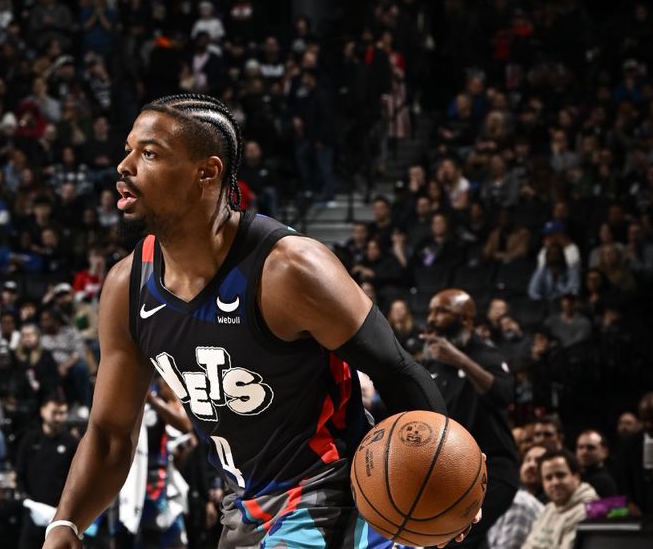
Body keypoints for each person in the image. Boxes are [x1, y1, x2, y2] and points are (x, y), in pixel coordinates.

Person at [42, 94, 478, 549]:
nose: (124, 165)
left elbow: (397, 368)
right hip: (244, 506)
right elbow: (111, 435)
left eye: (148, 153)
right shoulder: (125, 288)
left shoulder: (290, 270)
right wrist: (65, 524)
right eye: (128, 149)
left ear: (206, 172)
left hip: (330, 493)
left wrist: (449, 482)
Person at [421, 288, 519, 548]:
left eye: (441, 311)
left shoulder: (486, 355)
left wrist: (459, 359)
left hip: (493, 472)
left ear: (465, 319)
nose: (431, 318)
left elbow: (504, 394)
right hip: (454, 474)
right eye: (430, 311)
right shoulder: (433, 366)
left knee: (457, 539)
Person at [16, 394, 78, 548]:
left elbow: (77, 478)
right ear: (43, 411)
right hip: (33, 511)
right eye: (54, 412)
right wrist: (26, 498)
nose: (58, 418)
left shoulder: (71, 443)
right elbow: (20, 472)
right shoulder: (30, 440)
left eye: (62, 413)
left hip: (60, 514)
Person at [521, 449, 598, 549]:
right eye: (548, 478)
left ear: (576, 477)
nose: (555, 482)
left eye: (560, 475)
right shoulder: (549, 508)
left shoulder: (588, 510)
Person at [575, 429, 618, 498]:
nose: (584, 452)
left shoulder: (605, 482)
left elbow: (616, 508)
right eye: (580, 447)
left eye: (590, 448)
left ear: (605, 452)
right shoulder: (576, 476)